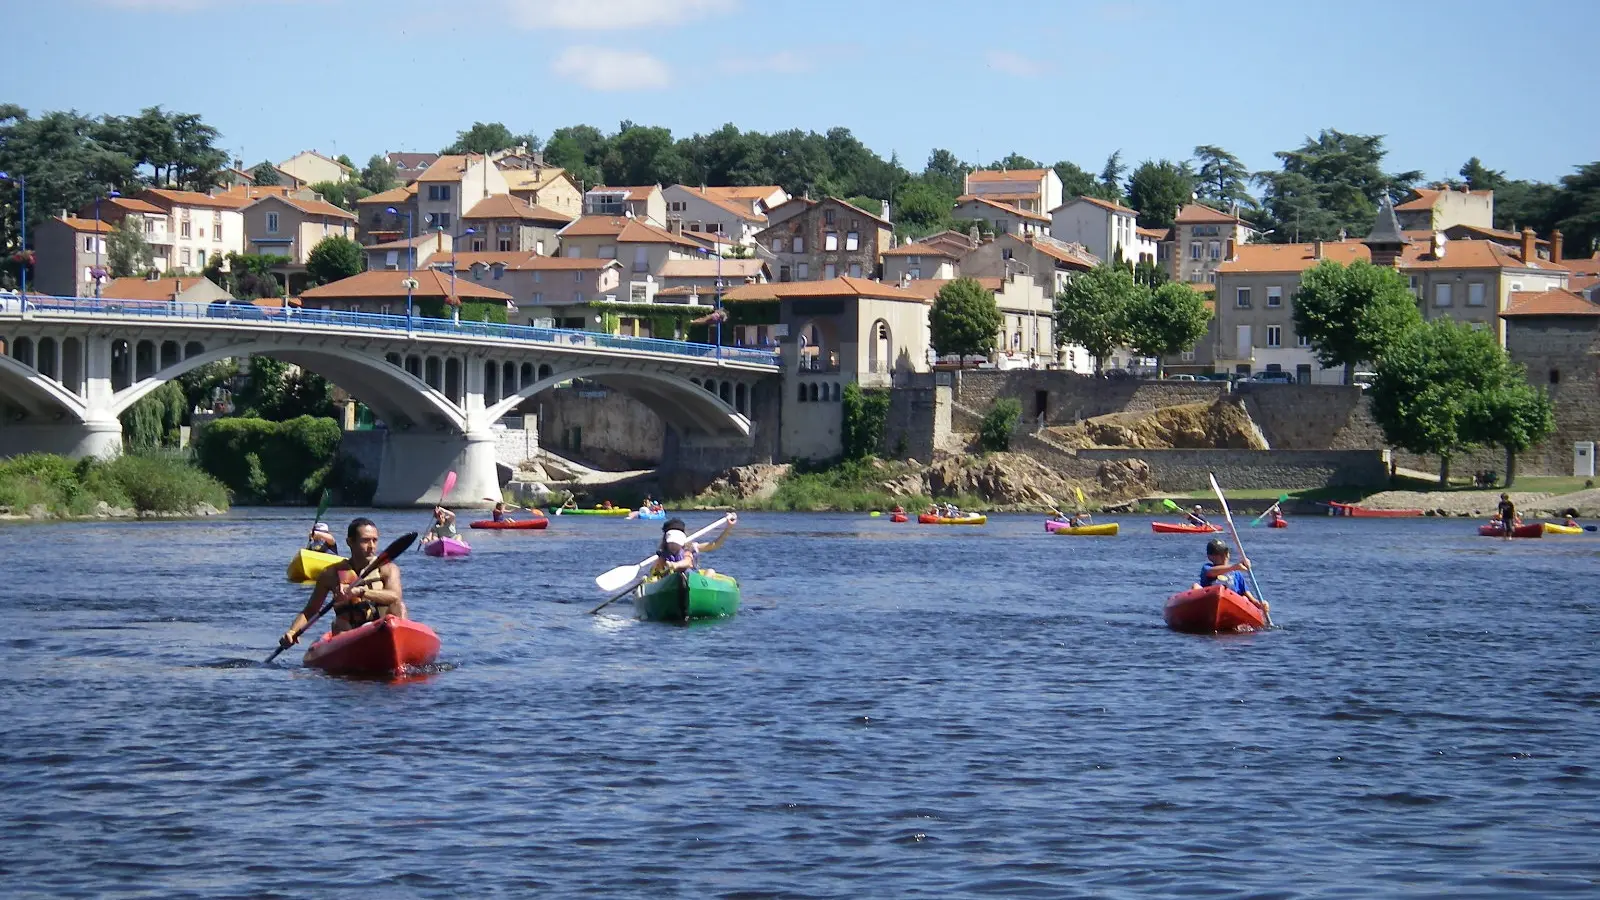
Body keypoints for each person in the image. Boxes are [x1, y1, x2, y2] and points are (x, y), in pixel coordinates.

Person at [279, 518, 406, 650]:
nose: (372, 546)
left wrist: (361, 592)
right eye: (365, 540)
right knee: (338, 623)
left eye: (375, 540)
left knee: (399, 607)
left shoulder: (388, 568)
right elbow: (311, 610)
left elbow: (395, 596)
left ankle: (401, 647)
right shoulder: (331, 573)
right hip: (350, 631)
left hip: (382, 627)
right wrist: (292, 632)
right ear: (350, 542)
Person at [653, 514, 738, 575]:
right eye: (671, 542)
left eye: (676, 542)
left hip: (691, 576)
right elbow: (656, 570)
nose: (673, 545)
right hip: (671, 578)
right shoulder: (663, 553)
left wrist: (729, 528)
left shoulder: (690, 548)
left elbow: (715, 544)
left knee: (710, 571)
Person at [1197, 539, 1267, 613]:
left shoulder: (1237, 574)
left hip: (1234, 606)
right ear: (1210, 557)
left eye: (1225, 553)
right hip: (1210, 602)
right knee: (1196, 586)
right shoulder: (1207, 568)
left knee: (1245, 598)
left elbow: (1250, 598)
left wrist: (1261, 605)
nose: (1224, 556)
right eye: (1218, 554)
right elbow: (1210, 572)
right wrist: (1234, 567)